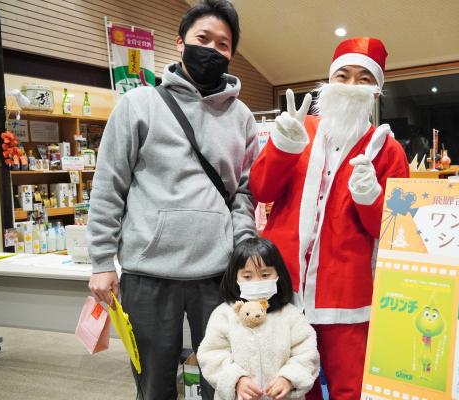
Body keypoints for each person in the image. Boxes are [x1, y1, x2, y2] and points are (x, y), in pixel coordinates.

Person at [86, 1, 258, 398]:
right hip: (148, 273)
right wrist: (101, 262)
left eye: (223, 44)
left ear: (232, 54)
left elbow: (244, 194)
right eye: (203, 38)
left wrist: (244, 251)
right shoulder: (138, 104)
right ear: (180, 43)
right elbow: (108, 186)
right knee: (154, 384)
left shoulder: (242, 117)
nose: (211, 49)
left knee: (225, 382)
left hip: (217, 275)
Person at [249, 37, 410, 399]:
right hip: (285, 284)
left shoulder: (389, 150)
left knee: (349, 389)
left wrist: (370, 198)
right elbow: (261, 190)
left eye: (364, 79)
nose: (351, 85)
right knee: (292, 386)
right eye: (343, 75)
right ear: (329, 81)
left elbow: (395, 232)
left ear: (377, 90)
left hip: (348, 296)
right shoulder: (299, 129)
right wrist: (282, 148)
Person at [198, 238, 320, 400]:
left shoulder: (291, 315)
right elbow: (212, 354)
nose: (256, 282)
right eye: (247, 276)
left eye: (265, 275)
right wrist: (236, 380)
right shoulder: (224, 315)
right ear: (235, 278)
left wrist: (289, 378)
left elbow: (307, 352)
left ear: (278, 274)